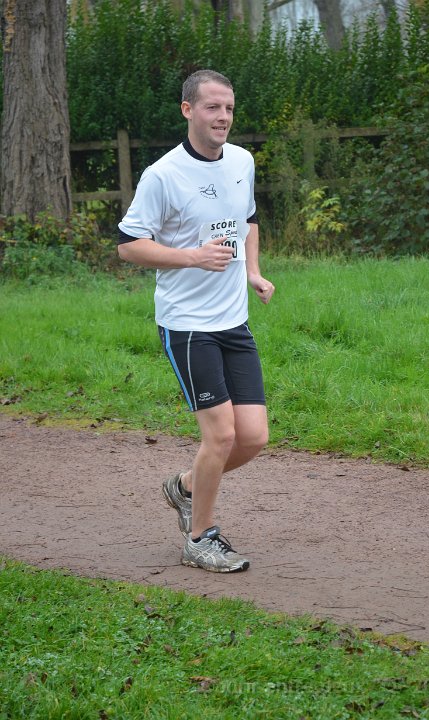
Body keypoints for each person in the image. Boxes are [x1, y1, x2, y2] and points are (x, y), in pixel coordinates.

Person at [117, 69, 275, 573]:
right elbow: (128, 246)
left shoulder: (242, 161)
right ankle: (200, 539)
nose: (222, 117)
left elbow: (247, 219)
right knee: (221, 436)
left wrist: (252, 272)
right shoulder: (163, 175)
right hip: (187, 324)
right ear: (188, 110)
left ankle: (185, 487)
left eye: (228, 108)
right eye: (212, 107)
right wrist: (192, 257)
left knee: (253, 437)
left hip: (234, 321)